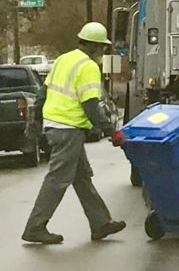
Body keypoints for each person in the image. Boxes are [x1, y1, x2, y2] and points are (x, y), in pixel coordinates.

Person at [22, 22, 127, 244]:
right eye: (103, 48)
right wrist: (111, 131)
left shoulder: (63, 59)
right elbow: (91, 105)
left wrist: (38, 122)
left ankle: (100, 223)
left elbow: (43, 94)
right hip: (67, 129)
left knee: (81, 177)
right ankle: (35, 227)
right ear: (95, 47)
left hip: (58, 126)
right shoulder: (88, 66)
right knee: (58, 179)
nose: (103, 52)